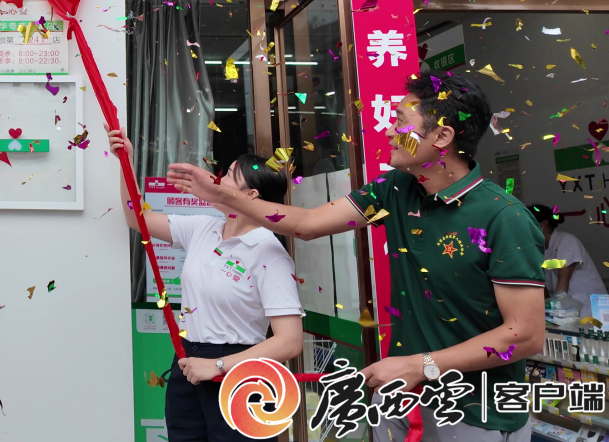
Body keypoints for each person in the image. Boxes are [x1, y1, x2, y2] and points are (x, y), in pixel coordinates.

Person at [168, 72, 545, 442]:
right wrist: (222, 196)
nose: (390, 131)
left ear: (442, 137)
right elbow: (308, 224)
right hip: (399, 396)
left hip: (472, 412)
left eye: (401, 122)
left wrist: (420, 366)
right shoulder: (396, 188)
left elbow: (525, 336)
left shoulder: (503, 217)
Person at [107, 127, 304, 442]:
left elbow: (290, 342)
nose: (217, 180)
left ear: (251, 195)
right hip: (188, 364)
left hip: (238, 371)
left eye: (230, 176)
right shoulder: (204, 227)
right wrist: (125, 161)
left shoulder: (269, 252)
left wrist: (218, 365)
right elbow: (136, 218)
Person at [531, 205, 607, 320]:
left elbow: (563, 281)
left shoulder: (566, 241)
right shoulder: (543, 249)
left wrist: (555, 312)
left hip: (589, 309)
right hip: (570, 310)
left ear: (543, 224)